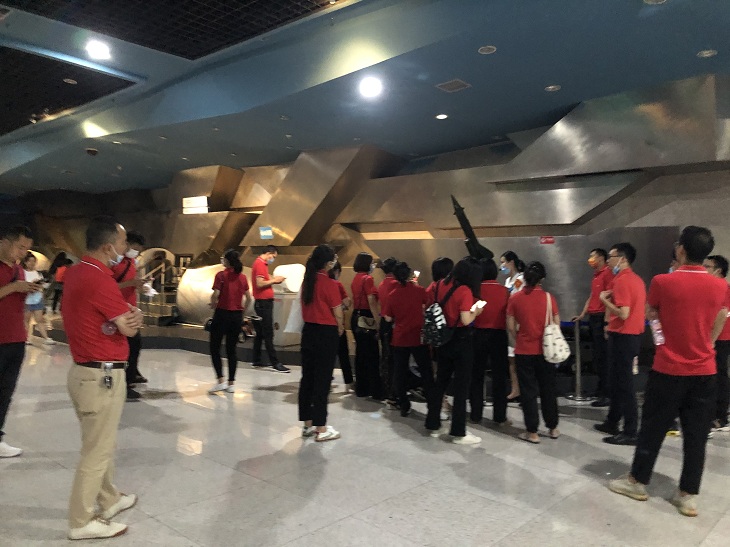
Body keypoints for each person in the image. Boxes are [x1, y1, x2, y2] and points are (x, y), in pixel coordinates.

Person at [609, 226, 728, 518]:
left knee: (653, 428)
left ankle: (637, 481)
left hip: (668, 368)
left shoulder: (663, 281)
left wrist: (663, 338)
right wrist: (709, 343)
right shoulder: (720, 286)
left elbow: (652, 315)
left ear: (681, 250)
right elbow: (721, 316)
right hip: (705, 370)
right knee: (696, 435)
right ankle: (688, 495)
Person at [63, 216, 144, 539]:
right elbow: (128, 327)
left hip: (84, 373)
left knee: (100, 443)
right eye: (123, 243)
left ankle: (109, 499)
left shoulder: (77, 271)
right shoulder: (99, 279)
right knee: (96, 452)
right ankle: (80, 522)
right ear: (109, 247)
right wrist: (134, 317)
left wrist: (125, 318)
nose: (126, 249)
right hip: (100, 375)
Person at [425, 256, 484, 444]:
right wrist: (477, 310)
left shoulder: (438, 285)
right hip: (461, 340)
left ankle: (433, 423)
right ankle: (458, 432)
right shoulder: (464, 290)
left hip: (442, 339)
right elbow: (466, 320)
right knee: (461, 387)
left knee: (440, 382)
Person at [594, 242, 647, 446]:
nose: (608, 261)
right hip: (629, 335)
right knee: (617, 381)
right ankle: (612, 421)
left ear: (623, 259)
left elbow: (623, 313)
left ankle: (630, 430)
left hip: (624, 336)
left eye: (612, 257)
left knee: (624, 384)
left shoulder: (622, 281)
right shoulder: (635, 279)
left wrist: (603, 300)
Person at [506, 261, 561, 443]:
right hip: (546, 351)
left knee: (528, 392)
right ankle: (553, 427)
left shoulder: (515, 298)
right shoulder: (549, 298)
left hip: (524, 350)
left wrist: (520, 337)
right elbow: (556, 323)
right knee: (548, 389)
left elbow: (510, 325)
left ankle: (532, 432)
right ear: (542, 279)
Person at [0, 225, 39, 458]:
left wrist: (27, 290)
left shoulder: (18, 270)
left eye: (26, 249)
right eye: (20, 247)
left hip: (16, 338)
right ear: (4, 241)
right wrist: (14, 287)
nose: (23, 253)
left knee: (6, 391)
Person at [299, 244, 344, 442]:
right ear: (328, 263)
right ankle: (322, 428)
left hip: (308, 331)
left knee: (307, 378)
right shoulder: (330, 283)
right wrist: (341, 327)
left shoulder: (307, 281)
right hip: (326, 333)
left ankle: (307, 424)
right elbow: (338, 312)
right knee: (322, 380)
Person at [382, 261, 435, 418]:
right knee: (426, 370)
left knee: (399, 371)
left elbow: (388, 317)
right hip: (418, 335)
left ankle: (404, 405)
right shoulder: (419, 290)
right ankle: (432, 403)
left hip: (400, 337)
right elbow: (427, 303)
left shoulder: (392, 294)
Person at [572, 248, 614, 407]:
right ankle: (600, 389)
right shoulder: (596, 275)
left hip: (601, 318)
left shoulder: (608, 273)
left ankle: (607, 393)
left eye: (593, 256)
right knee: (597, 357)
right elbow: (592, 296)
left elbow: (610, 298)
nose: (590, 259)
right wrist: (583, 314)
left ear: (601, 258)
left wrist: (607, 322)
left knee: (604, 357)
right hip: (593, 317)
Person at [470, 259, 510, 425]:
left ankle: (476, 414)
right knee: (500, 376)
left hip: (478, 334)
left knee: (476, 375)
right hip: (499, 335)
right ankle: (500, 415)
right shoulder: (505, 291)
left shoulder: (474, 290)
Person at [111, 231, 148, 401]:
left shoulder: (132, 263)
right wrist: (131, 283)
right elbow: (109, 286)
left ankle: (131, 375)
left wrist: (140, 286)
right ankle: (125, 382)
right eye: (135, 248)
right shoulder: (115, 263)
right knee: (128, 346)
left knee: (134, 345)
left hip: (130, 309)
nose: (136, 252)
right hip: (118, 309)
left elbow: (133, 283)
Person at [208, 249, 252, 394]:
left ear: (227, 261)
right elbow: (249, 298)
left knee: (215, 347)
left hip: (222, 315)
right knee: (231, 350)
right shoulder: (243, 277)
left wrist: (213, 302)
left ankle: (220, 380)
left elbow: (216, 294)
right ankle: (231, 383)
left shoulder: (221, 275)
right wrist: (242, 313)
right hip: (236, 316)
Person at [251, 245, 289, 373]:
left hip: (262, 303)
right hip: (263, 303)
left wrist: (274, 279)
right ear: (268, 253)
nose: (273, 259)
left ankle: (256, 359)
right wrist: (275, 281)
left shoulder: (261, 264)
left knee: (260, 333)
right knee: (268, 333)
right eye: (273, 256)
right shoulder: (260, 264)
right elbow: (260, 283)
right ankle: (275, 363)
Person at [703, 254, 730, 432]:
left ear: (718, 271)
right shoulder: (710, 287)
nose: (703, 269)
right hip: (711, 336)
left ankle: (721, 416)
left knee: (719, 375)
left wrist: (712, 339)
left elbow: (723, 313)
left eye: (707, 267)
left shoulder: (723, 288)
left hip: (721, 337)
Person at [351, 252, 382, 399]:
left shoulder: (356, 278)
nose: (373, 265)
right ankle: (375, 389)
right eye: (371, 263)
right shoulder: (368, 279)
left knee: (361, 353)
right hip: (366, 317)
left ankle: (361, 387)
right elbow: (371, 301)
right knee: (372, 353)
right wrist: (378, 321)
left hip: (356, 316)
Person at [427, 256, 455, 420]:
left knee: (438, 370)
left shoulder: (431, 288)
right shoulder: (455, 287)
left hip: (436, 334)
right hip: (452, 333)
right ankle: (444, 404)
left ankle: (439, 404)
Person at [500, 250, 525, 401]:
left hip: (518, 322)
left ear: (511, 262)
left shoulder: (520, 279)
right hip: (509, 321)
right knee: (511, 358)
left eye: (503, 262)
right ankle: (515, 389)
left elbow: (516, 297)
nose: (502, 266)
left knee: (519, 359)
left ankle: (523, 389)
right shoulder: (508, 281)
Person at [329, 262, 354, 393]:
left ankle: (326, 381)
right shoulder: (337, 284)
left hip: (324, 325)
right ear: (337, 271)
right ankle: (348, 383)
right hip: (337, 325)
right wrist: (344, 307)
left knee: (327, 356)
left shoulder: (318, 283)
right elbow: (347, 301)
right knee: (343, 354)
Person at [378, 257, 399, 404]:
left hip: (383, 322)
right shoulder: (395, 284)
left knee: (386, 356)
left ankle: (386, 388)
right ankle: (393, 390)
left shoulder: (381, 284)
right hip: (393, 323)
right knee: (394, 358)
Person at [22, 252, 54, 346]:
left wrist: (40, 286)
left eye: (33, 261)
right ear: (26, 262)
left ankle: (46, 338)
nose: (32, 263)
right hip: (27, 299)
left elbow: (43, 286)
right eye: (30, 261)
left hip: (37, 298)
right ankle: (26, 338)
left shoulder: (38, 273)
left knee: (39, 319)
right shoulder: (22, 273)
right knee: (26, 320)